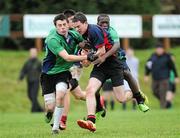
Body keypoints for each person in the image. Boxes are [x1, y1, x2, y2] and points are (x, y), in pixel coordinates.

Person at [73, 12, 149, 132]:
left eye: (78, 27)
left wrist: (90, 57)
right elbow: (87, 57)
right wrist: (85, 59)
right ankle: (91, 121)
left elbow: (101, 51)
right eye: (75, 27)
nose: (77, 29)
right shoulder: (82, 35)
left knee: (121, 99)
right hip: (100, 66)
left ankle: (136, 93)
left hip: (114, 65)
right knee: (90, 90)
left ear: (85, 23)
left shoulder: (94, 30)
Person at [96, 14, 146, 111]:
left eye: (107, 22)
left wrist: (104, 56)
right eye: (103, 22)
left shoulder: (112, 31)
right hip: (105, 65)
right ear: (98, 23)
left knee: (127, 74)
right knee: (93, 90)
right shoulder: (95, 32)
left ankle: (138, 95)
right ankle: (98, 109)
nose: (105, 24)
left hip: (117, 59)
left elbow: (116, 46)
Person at [144, 43, 179, 109]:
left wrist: (176, 76)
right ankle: (167, 102)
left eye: (160, 49)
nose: (159, 50)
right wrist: (146, 75)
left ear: (163, 49)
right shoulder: (152, 56)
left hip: (164, 79)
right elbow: (148, 66)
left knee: (162, 92)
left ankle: (163, 108)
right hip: (155, 78)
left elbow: (173, 67)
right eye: (158, 49)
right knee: (154, 91)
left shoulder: (167, 57)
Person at [19, 48, 43, 113]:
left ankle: (33, 110)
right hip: (29, 81)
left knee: (34, 96)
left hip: (36, 81)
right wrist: (21, 77)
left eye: (34, 53)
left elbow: (43, 71)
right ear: (30, 54)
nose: (33, 54)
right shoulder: (27, 62)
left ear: (36, 54)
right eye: (32, 53)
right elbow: (23, 71)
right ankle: (40, 109)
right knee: (30, 96)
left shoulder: (38, 62)